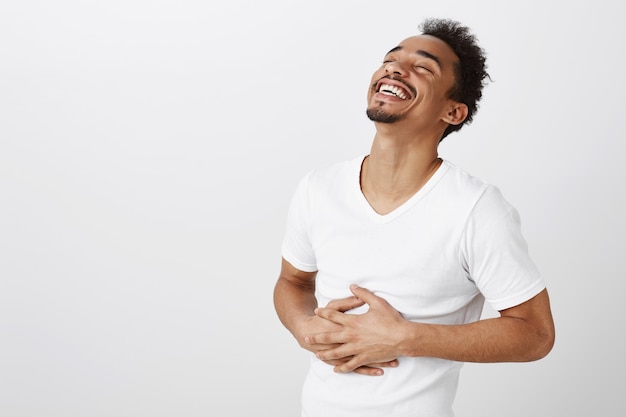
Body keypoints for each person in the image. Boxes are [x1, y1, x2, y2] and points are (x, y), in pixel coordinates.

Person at [273, 17, 555, 417]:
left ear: (453, 112)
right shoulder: (318, 188)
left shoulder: (476, 209)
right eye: (390, 59)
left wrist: (405, 338)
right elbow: (293, 281)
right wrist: (302, 326)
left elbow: (535, 334)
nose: (394, 68)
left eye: (423, 67)